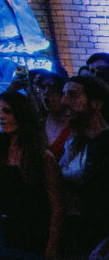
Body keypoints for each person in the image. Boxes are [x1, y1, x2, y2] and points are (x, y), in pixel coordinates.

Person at [0, 88, 61, 256]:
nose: (1, 117)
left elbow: (57, 208)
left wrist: (51, 248)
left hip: (33, 234)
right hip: (1, 233)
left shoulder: (41, 157)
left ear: (21, 114)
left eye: (7, 111)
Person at [58, 73, 109, 255]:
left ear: (96, 103)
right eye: (64, 94)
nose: (64, 101)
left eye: (72, 94)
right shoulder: (75, 142)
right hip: (78, 234)